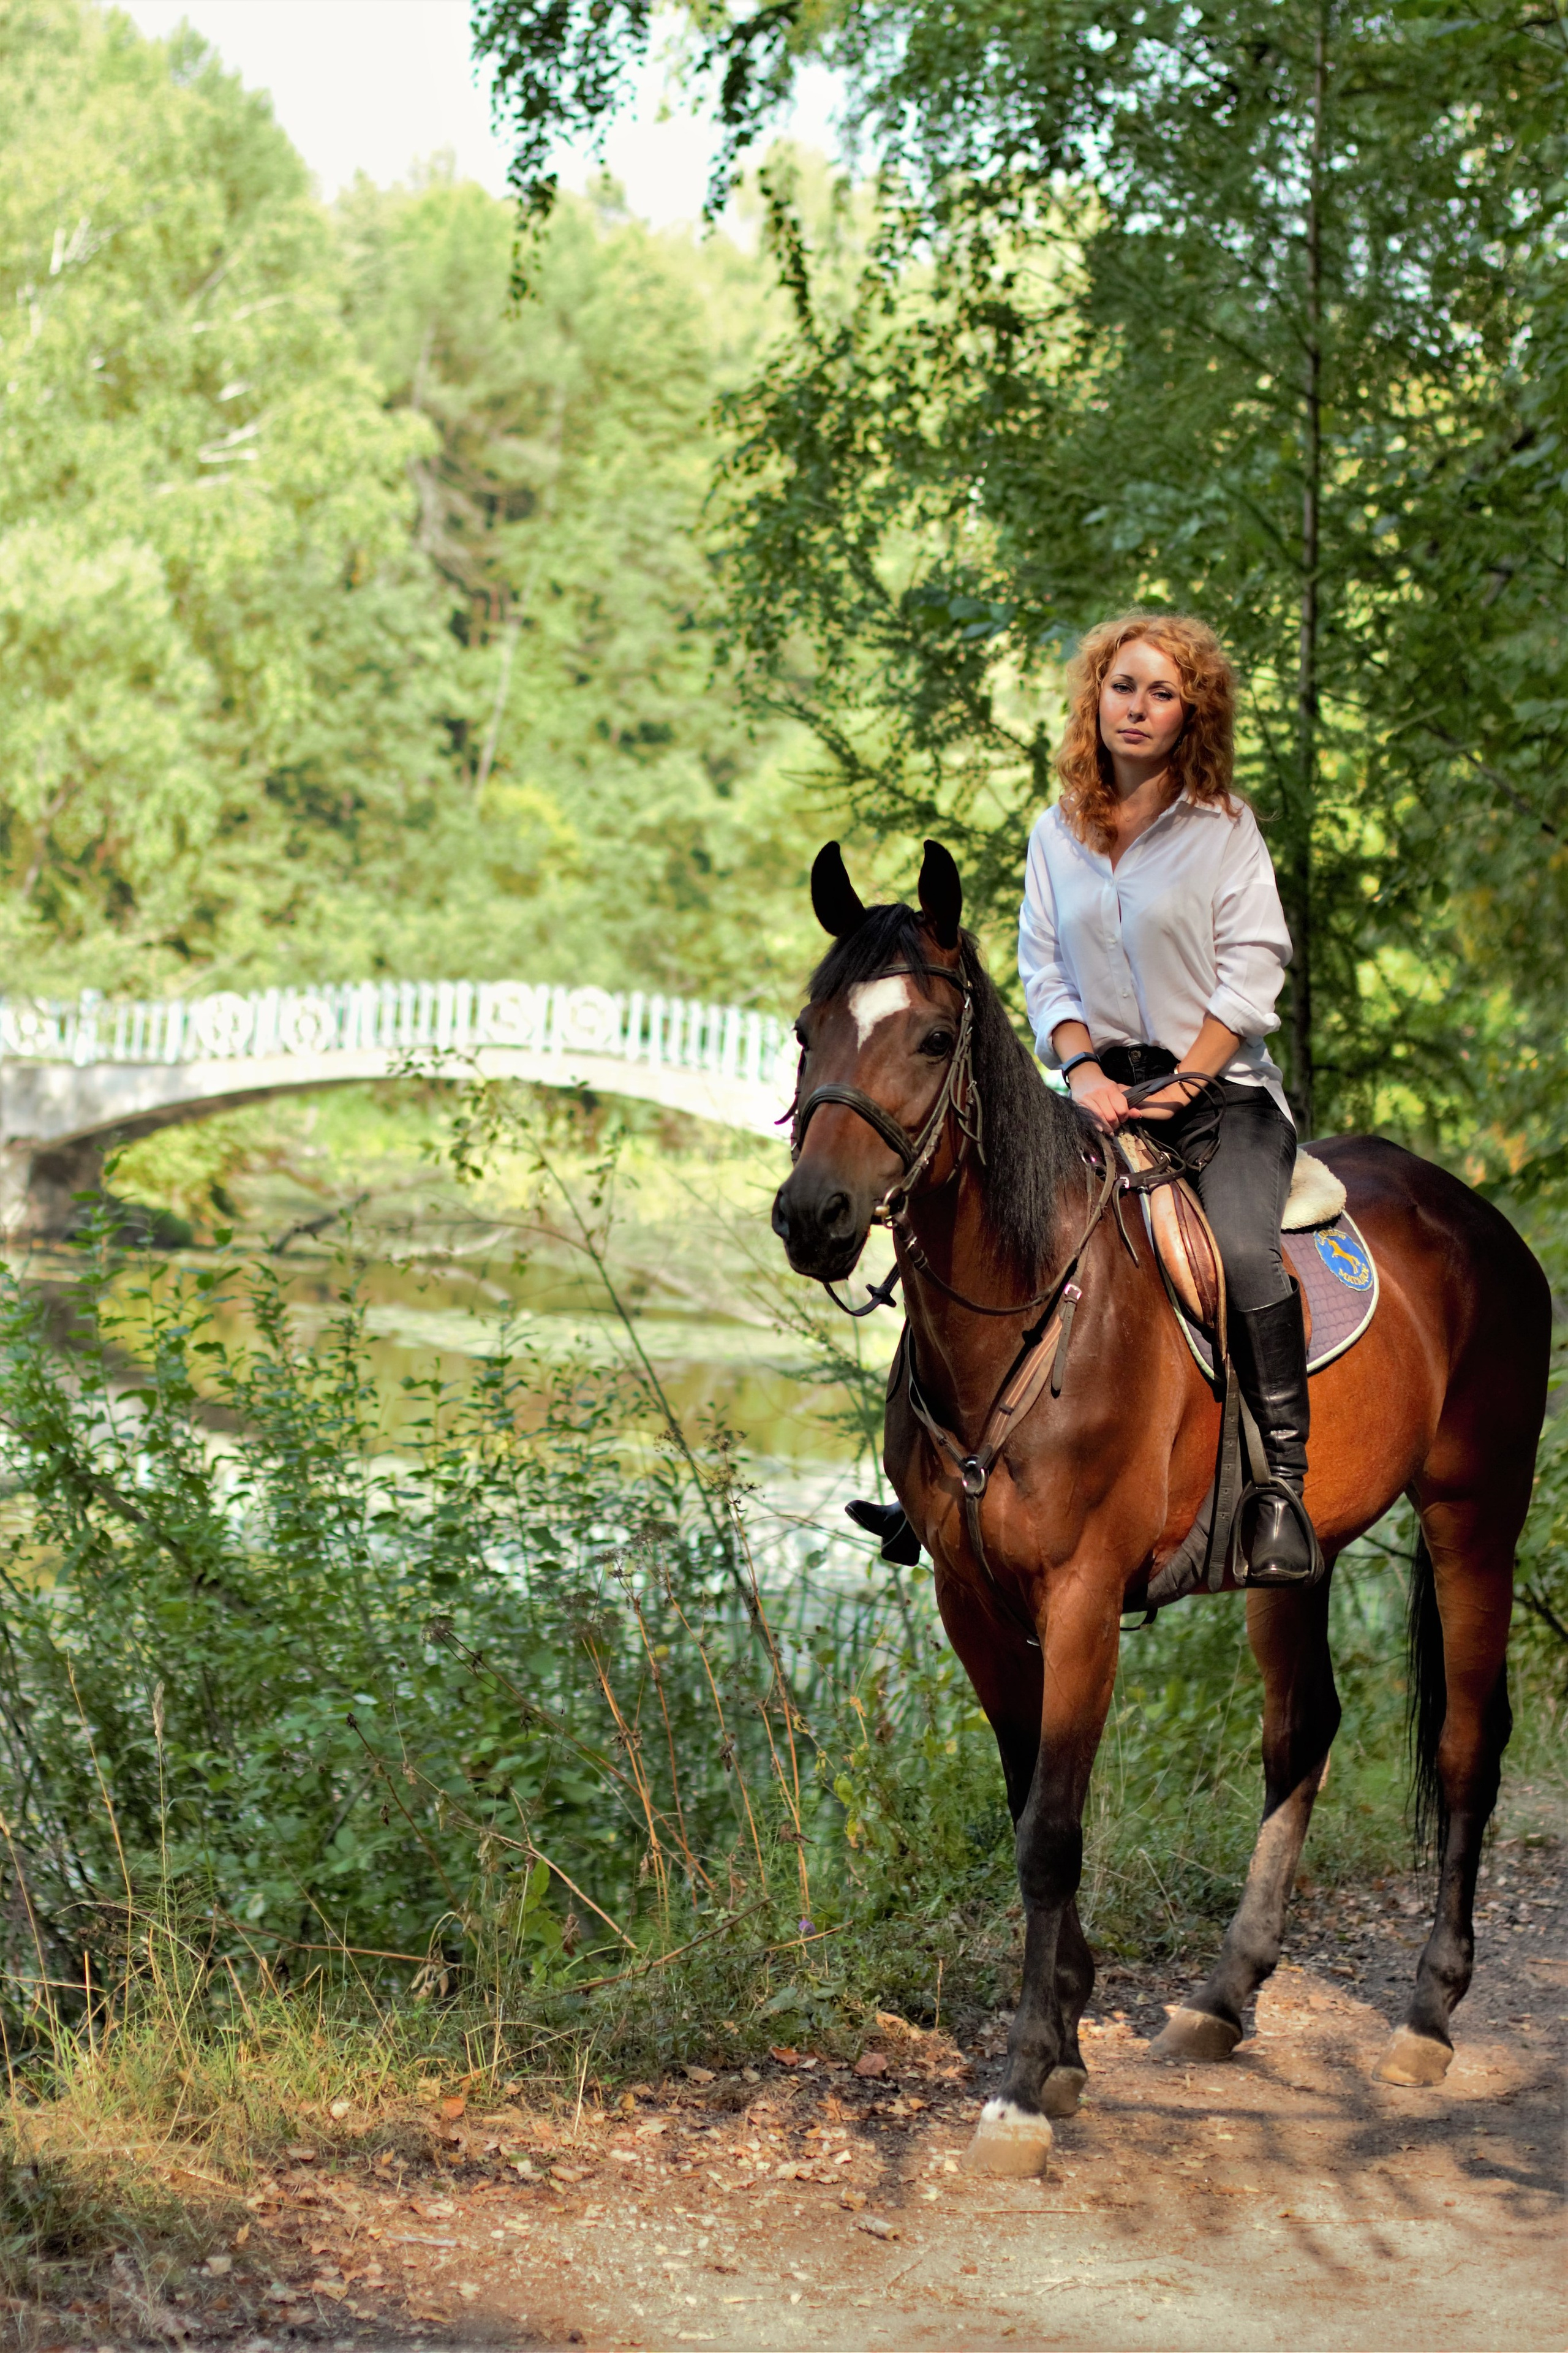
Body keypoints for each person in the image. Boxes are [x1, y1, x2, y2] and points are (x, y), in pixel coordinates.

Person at [1017, 610, 1320, 1584]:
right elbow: (1043, 973)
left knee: (1240, 1251)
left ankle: (1280, 1489)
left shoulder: (1225, 829)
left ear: (1193, 714)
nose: (1137, 708)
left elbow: (1253, 967)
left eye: (1161, 692)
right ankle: (932, 1469)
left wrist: (1186, 1077)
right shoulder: (1054, 834)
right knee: (989, 1216)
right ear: (1094, 699)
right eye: (1122, 686)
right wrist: (1086, 1073)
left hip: (1218, 1095)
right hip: (1095, 1095)